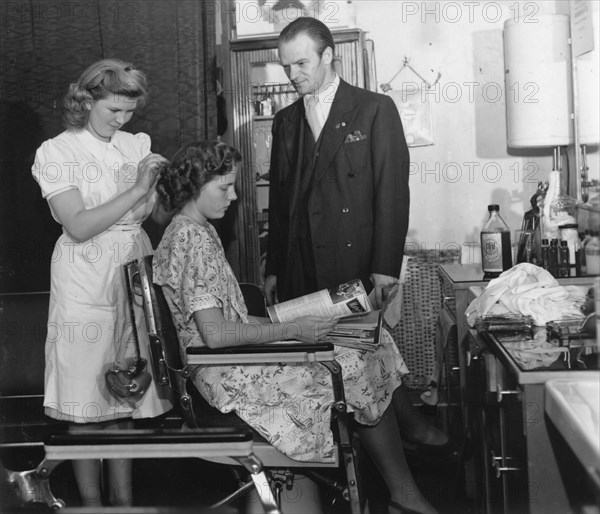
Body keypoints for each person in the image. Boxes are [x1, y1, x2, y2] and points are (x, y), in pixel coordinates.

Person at [153, 141, 440, 514]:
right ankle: (402, 495)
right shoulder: (190, 238)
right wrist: (293, 331)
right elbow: (216, 334)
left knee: (367, 344)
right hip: (226, 375)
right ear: (193, 188)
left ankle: (398, 492)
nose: (235, 195)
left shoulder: (196, 230)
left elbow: (228, 322)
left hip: (229, 362)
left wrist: (297, 322)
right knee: (352, 366)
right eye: (224, 187)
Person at [31, 58, 174, 507]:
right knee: (86, 398)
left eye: (129, 111)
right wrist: (135, 188)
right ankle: (91, 507)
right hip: (84, 276)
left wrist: (171, 186)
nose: (122, 120)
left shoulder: (136, 145)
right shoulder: (57, 151)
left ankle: (125, 504)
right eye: (113, 109)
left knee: (127, 390)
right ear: (87, 98)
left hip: (133, 266)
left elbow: (155, 214)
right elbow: (78, 224)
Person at [264, 16, 409, 310]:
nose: (293, 75)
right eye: (286, 66)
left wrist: (385, 267)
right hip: (300, 269)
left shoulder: (374, 109)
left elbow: (391, 193)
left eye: (302, 63)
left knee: (355, 351)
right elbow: (279, 203)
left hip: (354, 266)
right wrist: (274, 269)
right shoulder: (284, 121)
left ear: (327, 55)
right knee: (306, 354)